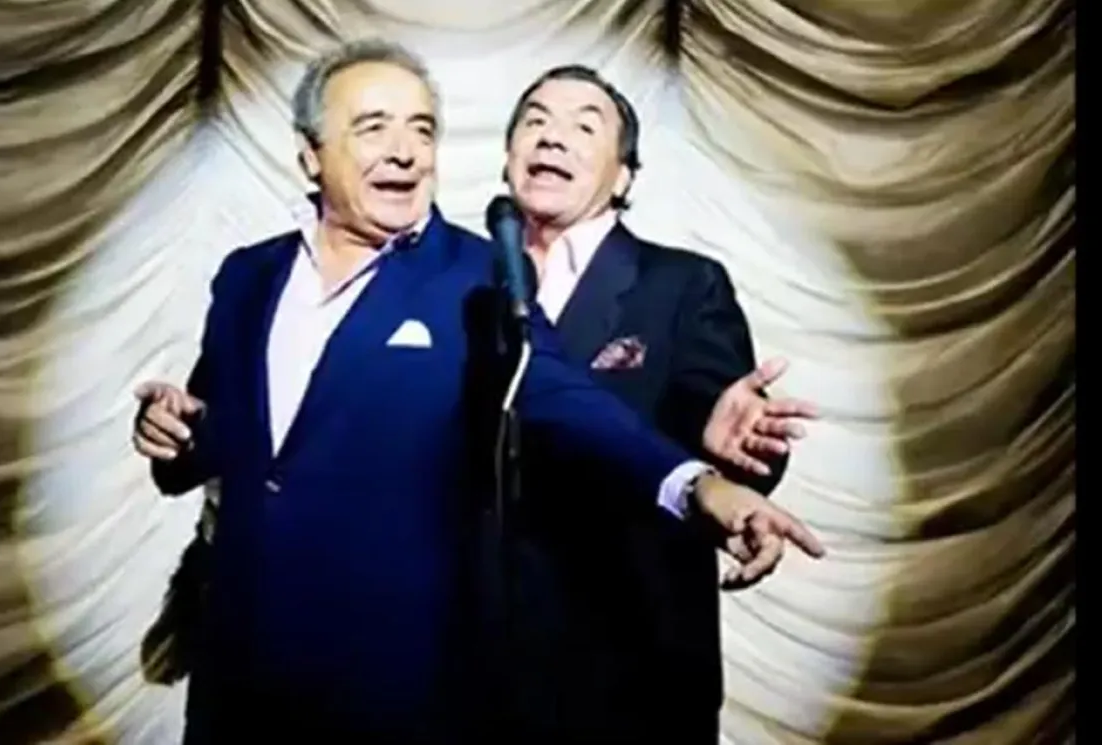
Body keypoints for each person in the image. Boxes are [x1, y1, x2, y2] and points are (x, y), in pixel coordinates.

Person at [132, 41, 824, 743]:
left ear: (624, 173)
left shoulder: (476, 278)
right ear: (312, 154)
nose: (405, 151)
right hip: (240, 677)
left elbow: (568, 397)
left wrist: (701, 482)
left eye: (422, 129)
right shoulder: (247, 276)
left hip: (428, 683)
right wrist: (175, 431)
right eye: (374, 127)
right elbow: (227, 437)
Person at [498, 64, 817, 742]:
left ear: (623, 177)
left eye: (584, 126)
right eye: (535, 121)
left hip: (630, 666)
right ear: (508, 158)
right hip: (476, 670)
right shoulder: (461, 284)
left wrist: (732, 445)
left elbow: (730, 447)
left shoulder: (680, 284)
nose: (552, 137)